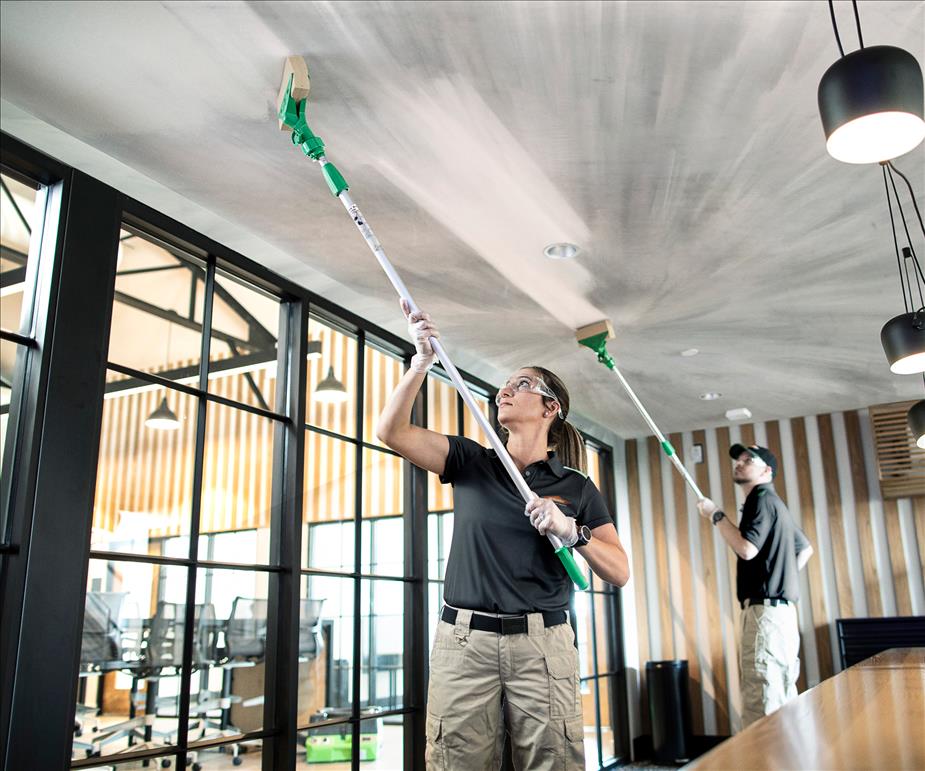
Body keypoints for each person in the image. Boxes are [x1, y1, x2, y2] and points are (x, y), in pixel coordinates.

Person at [376, 302, 630, 770]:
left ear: (550, 407)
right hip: (463, 642)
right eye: (506, 384)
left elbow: (619, 572)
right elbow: (390, 431)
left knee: (554, 762)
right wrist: (421, 363)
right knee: (456, 763)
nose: (505, 390)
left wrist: (571, 530)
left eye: (522, 384)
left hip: (542, 644)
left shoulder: (576, 487)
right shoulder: (472, 462)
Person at [697, 443, 814, 728]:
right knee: (782, 698)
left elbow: (747, 549)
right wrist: (776, 576)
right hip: (783, 617)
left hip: (766, 617)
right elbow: (805, 548)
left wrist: (716, 515)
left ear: (766, 470)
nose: (740, 462)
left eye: (749, 459)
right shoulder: (776, 504)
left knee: (762, 703)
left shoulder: (760, 499)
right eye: (739, 458)